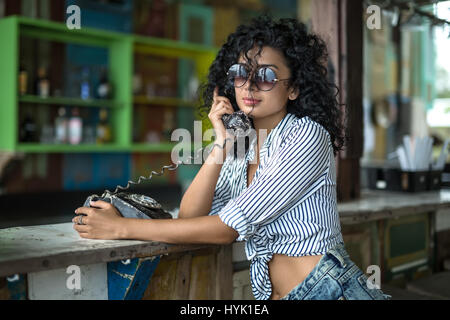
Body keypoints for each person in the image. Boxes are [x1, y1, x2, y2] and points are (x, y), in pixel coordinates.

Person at [73, 15, 390, 300]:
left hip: (329, 291)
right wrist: (221, 145)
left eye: (265, 76)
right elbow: (190, 217)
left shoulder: (306, 136)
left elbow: (225, 228)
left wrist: (122, 228)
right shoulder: (242, 144)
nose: (249, 85)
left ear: (293, 88)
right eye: (241, 73)